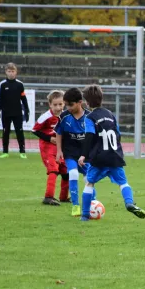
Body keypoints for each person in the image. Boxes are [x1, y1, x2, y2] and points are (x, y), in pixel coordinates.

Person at [77, 84, 145, 221]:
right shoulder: (111, 115)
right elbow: (118, 134)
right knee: (123, 183)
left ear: (87, 102)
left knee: (89, 183)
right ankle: (129, 203)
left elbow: (89, 136)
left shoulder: (90, 117)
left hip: (99, 158)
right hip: (114, 156)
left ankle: (85, 215)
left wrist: (84, 154)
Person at [55, 88, 95, 216]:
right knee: (72, 173)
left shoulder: (89, 117)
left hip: (86, 153)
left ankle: (92, 205)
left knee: (89, 179)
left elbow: (93, 137)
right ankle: (76, 206)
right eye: (66, 104)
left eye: (70, 105)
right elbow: (59, 133)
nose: (68, 107)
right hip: (70, 152)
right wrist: (59, 151)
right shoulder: (64, 116)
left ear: (80, 102)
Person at [32, 90, 69, 206]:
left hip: (59, 149)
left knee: (66, 172)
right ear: (50, 105)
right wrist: (49, 139)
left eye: (60, 104)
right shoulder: (46, 116)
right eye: (55, 105)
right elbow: (35, 130)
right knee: (54, 170)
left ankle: (63, 197)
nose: (58, 107)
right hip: (47, 148)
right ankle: (48, 197)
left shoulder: (66, 116)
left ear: (64, 104)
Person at [0, 63, 29, 159]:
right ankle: (5, 152)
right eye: (9, 71)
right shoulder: (2, 84)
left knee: (19, 132)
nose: (11, 73)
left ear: (16, 72)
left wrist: (27, 111)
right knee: (5, 132)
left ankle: (22, 152)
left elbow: (23, 99)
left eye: (13, 71)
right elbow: (0, 99)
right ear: (6, 72)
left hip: (17, 113)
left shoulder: (20, 84)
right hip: (6, 113)